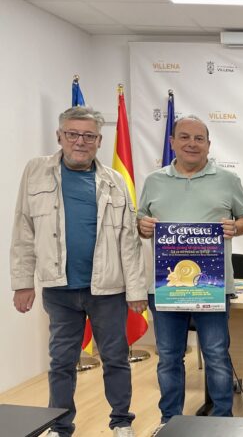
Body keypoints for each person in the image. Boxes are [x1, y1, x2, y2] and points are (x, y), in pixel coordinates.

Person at [10, 106, 146, 437]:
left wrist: (136, 290)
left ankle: (121, 422)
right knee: (61, 362)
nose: (80, 141)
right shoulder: (36, 171)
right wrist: (22, 282)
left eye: (88, 135)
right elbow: (23, 229)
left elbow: (128, 240)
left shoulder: (114, 181)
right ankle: (60, 426)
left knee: (115, 358)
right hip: (59, 290)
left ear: (99, 140)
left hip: (107, 290)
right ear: (59, 136)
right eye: (72, 134)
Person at [136, 115, 243, 431]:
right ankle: (170, 422)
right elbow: (140, 221)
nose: (192, 144)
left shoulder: (228, 180)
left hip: (212, 286)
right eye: (185, 137)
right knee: (168, 357)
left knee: (216, 355)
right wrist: (142, 226)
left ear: (208, 145)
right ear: (172, 142)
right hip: (165, 286)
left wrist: (235, 227)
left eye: (199, 138)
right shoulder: (153, 181)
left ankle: (221, 422)